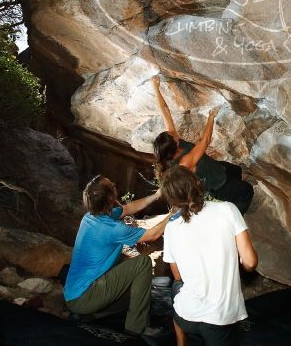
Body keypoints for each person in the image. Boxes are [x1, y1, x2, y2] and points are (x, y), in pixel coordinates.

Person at [64, 175, 173, 337]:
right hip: (85, 297)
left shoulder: (91, 217)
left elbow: (128, 208)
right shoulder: (112, 228)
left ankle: (90, 315)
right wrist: (173, 214)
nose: (116, 186)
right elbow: (153, 235)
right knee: (142, 263)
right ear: (110, 196)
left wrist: (156, 196)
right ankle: (137, 328)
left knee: (138, 292)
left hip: (73, 296)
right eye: (113, 186)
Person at [161, 166, 258, 346]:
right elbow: (251, 262)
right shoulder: (228, 210)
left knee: (178, 289)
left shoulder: (171, 228)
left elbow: (177, 276)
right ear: (198, 183)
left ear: (172, 199)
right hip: (218, 321)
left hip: (185, 316)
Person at [151, 74, 254, 214]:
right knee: (246, 191)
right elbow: (205, 141)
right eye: (173, 136)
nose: (174, 133)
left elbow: (165, 111)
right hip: (216, 184)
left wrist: (156, 87)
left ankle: (240, 178)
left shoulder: (172, 144)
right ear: (173, 149)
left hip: (215, 167)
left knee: (236, 171)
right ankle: (235, 219)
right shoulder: (184, 163)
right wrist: (211, 117)